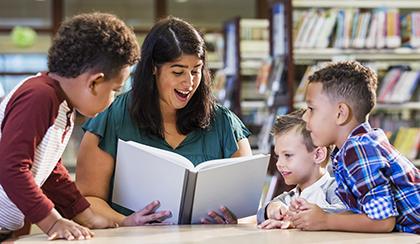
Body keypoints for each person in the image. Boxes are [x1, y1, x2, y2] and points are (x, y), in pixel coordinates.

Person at [76, 16, 252, 226]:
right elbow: (86, 202)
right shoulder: (112, 118)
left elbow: (249, 209)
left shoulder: (224, 123)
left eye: (196, 71)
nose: (189, 83)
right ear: (153, 68)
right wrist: (125, 221)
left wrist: (235, 221)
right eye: (178, 72)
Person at [0, 12, 139, 241]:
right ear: (94, 82)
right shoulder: (39, 96)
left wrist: (86, 215)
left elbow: (49, 171)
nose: (113, 98)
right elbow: (10, 167)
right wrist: (53, 221)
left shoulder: (62, 104)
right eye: (114, 89)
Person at [294, 60, 420, 234]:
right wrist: (318, 214)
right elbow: (364, 211)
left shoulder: (359, 149)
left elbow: (383, 221)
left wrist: (325, 220)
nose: (305, 118)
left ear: (340, 113)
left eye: (311, 109)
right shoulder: (352, 148)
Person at [257, 109, 345, 229]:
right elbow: (261, 214)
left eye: (288, 155)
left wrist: (296, 218)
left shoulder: (334, 189)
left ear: (318, 155)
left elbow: (346, 212)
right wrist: (272, 208)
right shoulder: (289, 197)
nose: (279, 164)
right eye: (278, 156)